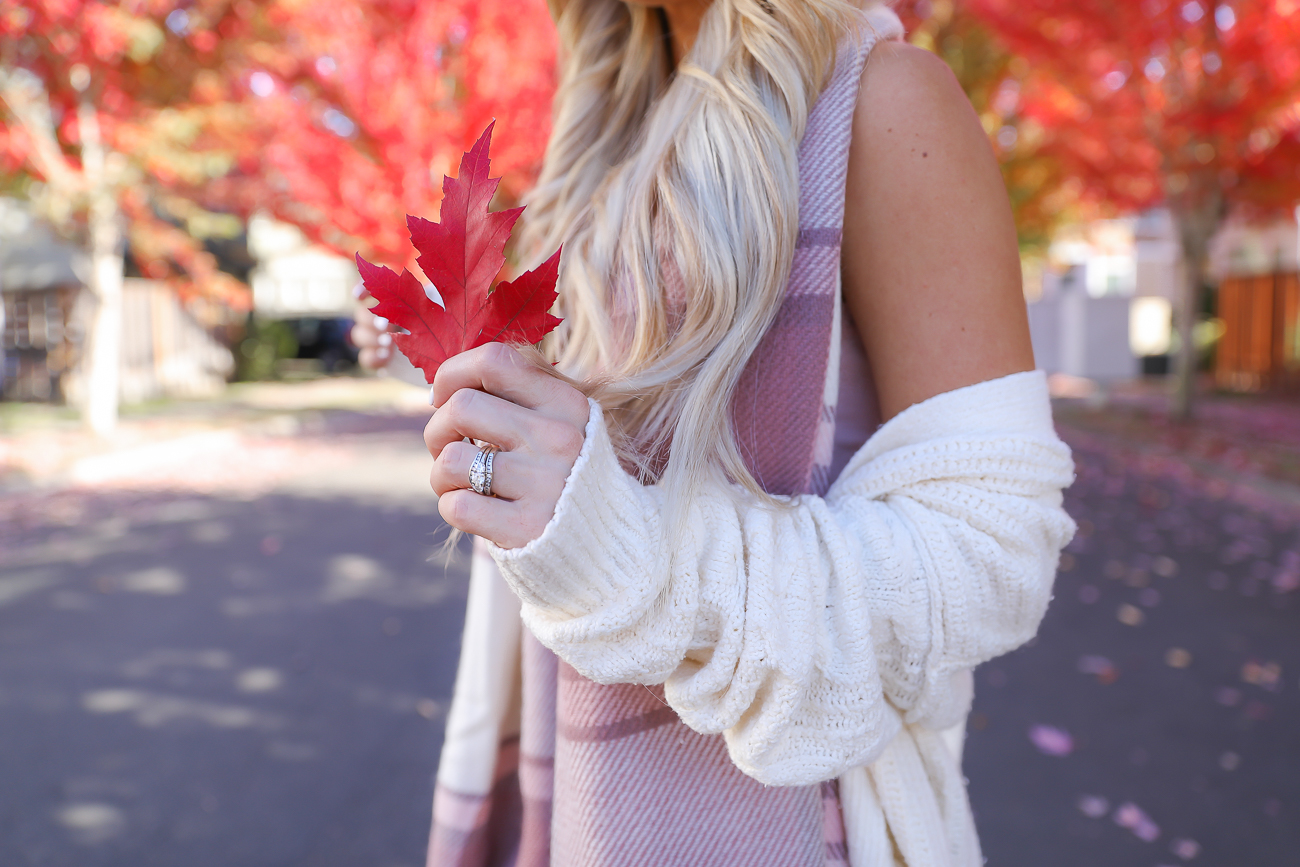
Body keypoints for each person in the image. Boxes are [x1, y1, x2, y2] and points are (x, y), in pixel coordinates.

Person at [353, 1, 1076, 865]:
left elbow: (992, 558)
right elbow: (592, 430)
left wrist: (630, 548)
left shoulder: (888, 105)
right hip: (577, 793)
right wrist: (467, 372)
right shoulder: (596, 153)